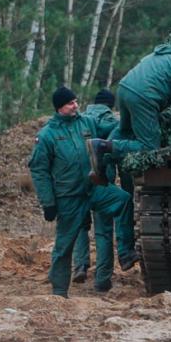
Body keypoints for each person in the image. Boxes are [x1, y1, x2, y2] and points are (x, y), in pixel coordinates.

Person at [85, 38, 171, 260]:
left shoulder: (159, 55)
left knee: (124, 131)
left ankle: (100, 159)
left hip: (125, 89)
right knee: (149, 147)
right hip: (144, 98)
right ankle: (103, 146)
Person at [27, 86, 131, 297]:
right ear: (59, 108)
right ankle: (59, 292)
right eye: (70, 103)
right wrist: (48, 203)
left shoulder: (86, 123)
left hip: (93, 188)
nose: (76, 106)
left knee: (124, 199)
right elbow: (39, 170)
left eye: (76, 101)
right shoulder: (47, 135)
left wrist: (130, 117)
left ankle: (127, 251)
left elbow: (110, 129)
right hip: (69, 197)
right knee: (64, 246)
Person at [71, 89, 128, 283]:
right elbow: (119, 144)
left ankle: (80, 266)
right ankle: (102, 279)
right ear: (110, 106)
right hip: (100, 181)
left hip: (76, 181)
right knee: (103, 230)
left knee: (80, 226)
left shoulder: (80, 119)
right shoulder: (108, 121)